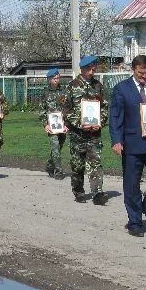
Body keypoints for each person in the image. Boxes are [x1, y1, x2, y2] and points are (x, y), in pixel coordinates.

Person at [110, 55, 146, 237]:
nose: (144, 76)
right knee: (132, 185)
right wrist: (116, 140)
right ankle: (135, 221)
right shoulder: (122, 89)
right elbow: (115, 117)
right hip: (132, 143)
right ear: (133, 70)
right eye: (141, 72)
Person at [64, 55, 108, 203]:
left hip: (95, 133)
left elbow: (105, 107)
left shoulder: (98, 86)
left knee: (95, 162)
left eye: (93, 68)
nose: (92, 70)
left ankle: (97, 193)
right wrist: (79, 124)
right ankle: (78, 191)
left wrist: (100, 122)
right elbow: (66, 110)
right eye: (89, 68)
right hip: (78, 134)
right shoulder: (72, 86)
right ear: (82, 69)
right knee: (78, 165)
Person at [39, 68, 68, 179]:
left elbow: (67, 108)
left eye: (58, 78)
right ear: (49, 79)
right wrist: (45, 124)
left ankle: (49, 165)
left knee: (59, 146)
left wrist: (67, 124)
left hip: (62, 125)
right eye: (54, 78)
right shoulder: (45, 93)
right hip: (51, 125)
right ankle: (58, 171)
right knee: (55, 146)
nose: (56, 80)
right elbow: (42, 110)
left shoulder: (63, 92)